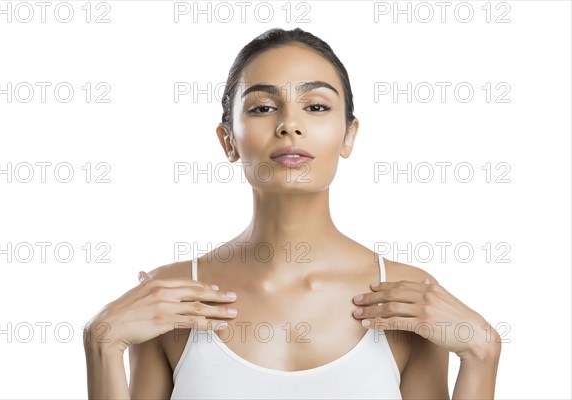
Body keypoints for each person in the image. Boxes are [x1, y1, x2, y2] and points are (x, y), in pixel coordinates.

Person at [83, 28, 501, 399]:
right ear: (228, 141)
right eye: (263, 107)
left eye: (316, 107)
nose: (290, 125)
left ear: (348, 135)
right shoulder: (170, 295)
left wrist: (482, 352)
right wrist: (101, 345)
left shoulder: (409, 295)